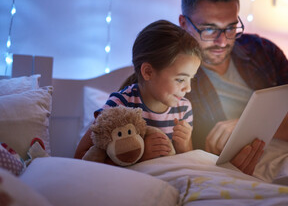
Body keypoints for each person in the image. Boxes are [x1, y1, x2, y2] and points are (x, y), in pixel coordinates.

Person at [178, 0, 288, 170]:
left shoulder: (262, 50)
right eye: (209, 29)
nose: (223, 41)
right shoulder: (169, 71)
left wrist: (251, 126)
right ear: (184, 24)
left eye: (231, 28)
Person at [75, 20, 202, 161]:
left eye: (191, 78)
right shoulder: (120, 105)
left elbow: (188, 161)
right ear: (148, 72)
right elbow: (81, 155)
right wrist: (140, 156)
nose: (188, 88)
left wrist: (184, 146)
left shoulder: (183, 108)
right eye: (180, 80)